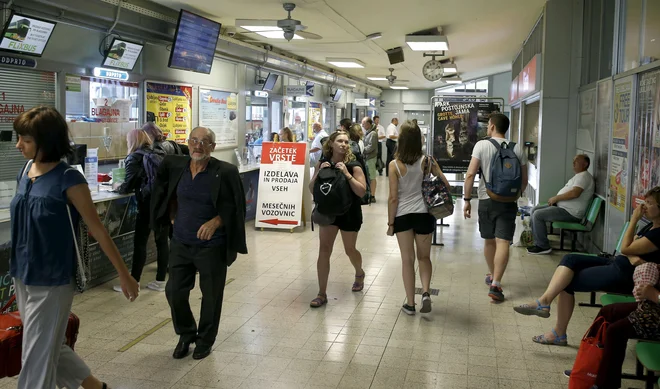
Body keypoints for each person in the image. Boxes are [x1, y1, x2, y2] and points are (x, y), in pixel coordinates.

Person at [10, 106, 139, 389]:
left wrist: (124, 274)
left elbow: (98, 230)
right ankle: (94, 386)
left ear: (47, 141)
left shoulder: (69, 179)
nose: (19, 145)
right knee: (44, 342)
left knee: (36, 355)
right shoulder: (26, 169)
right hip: (22, 273)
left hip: (52, 279)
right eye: (19, 137)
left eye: (26, 140)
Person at [513, 187, 660, 346]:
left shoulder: (658, 234)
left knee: (566, 282)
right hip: (619, 262)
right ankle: (544, 302)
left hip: (624, 274)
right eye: (644, 201)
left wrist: (633, 221)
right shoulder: (650, 226)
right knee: (570, 259)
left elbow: (625, 247)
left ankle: (557, 331)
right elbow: (629, 249)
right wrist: (631, 254)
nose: (644, 206)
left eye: (650, 203)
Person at [150, 127, 247, 360]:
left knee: (211, 295)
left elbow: (237, 207)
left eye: (204, 142)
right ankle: (186, 333)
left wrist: (217, 221)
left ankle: (205, 340)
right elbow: (166, 190)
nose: (198, 145)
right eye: (194, 140)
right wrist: (171, 213)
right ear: (188, 142)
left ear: (212, 147)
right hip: (181, 243)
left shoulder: (225, 172)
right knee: (174, 291)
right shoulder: (177, 167)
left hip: (212, 246)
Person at [463, 113, 528, 302]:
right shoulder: (517, 148)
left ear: (491, 126)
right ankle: (496, 283)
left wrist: (467, 200)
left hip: (486, 199)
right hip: (509, 202)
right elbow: (524, 181)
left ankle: (493, 275)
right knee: (503, 242)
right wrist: (513, 195)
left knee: (490, 241)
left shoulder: (482, 145)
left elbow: (470, 175)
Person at [387, 121, 450, 315]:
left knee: (407, 260)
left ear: (401, 140)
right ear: (419, 140)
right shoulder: (427, 161)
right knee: (424, 257)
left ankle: (410, 304)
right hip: (424, 214)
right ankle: (425, 292)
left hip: (403, 217)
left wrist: (390, 224)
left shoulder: (394, 165)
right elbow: (445, 184)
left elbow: (393, 198)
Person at [308, 131, 368, 308]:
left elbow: (361, 191)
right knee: (324, 249)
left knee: (350, 250)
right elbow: (312, 188)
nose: (344, 144)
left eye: (346, 142)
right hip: (328, 212)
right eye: (340, 141)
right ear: (331, 144)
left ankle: (359, 272)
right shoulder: (323, 163)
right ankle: (321, 293)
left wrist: (347, 174)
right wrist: (319, 174)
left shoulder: (354, 164)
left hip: (350, 212)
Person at [569, 285, 660, 389]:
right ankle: (586, 367)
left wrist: (656, 296)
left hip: (656, 313)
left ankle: (604, 384)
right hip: (652, 306)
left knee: (616, 331)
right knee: (607, 312)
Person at [114, 129, 169, 292]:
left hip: (146, 204)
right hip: (163, 201)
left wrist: (117, 187)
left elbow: (127, 185)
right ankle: (160, 281)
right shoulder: (159, 151)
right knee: (162, 241)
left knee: (140, 242)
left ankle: (135, 281)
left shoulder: (134, 157)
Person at [527, 154, 594, 255]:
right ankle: (538, 240)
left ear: (585, 164)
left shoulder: (584, 177)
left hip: (571, 212)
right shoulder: (579, 176)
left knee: (538, 215)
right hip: (562, 207)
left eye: (576, 161)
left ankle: (542, 246)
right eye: (573, 160)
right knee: (534, 210)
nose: (573, 163)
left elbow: (574, 193)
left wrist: (556, 198)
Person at [362, 117, 379, 202]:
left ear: (368, 124)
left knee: (372, 177)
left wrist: (362, 149)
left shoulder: (373, 134)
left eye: (364, 123)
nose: (362, 125)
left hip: (371, 158)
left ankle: (372, 196)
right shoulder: (368, 133)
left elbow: (371, 147)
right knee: (369, 176)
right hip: (367, 158)